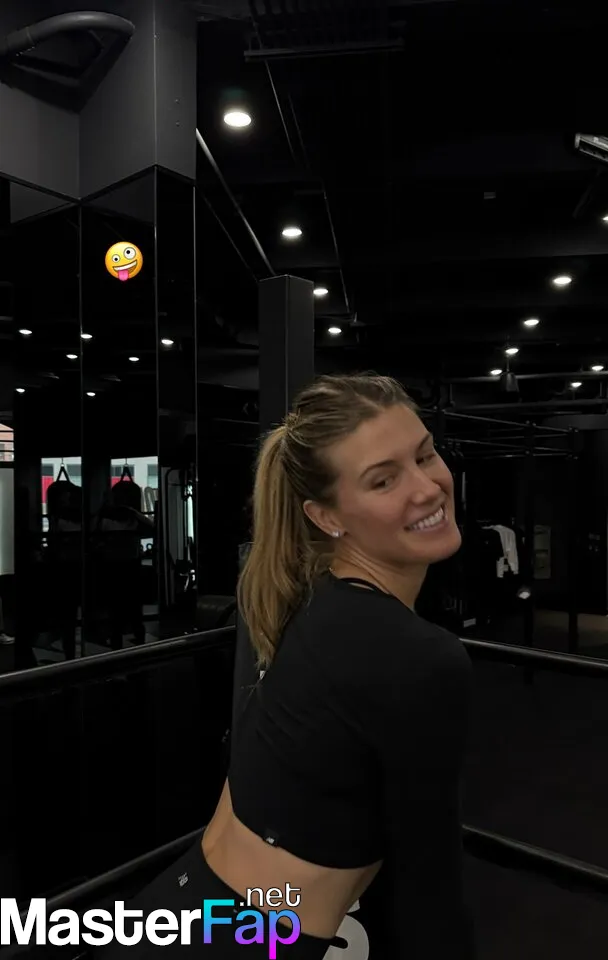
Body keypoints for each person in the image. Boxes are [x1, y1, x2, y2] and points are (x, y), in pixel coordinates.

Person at [102, 373, 474, 958]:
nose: (428, 488)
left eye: (425, 455)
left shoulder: (306, 597)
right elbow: (429, 882)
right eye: (384, 479)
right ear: (326, 517)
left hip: (181, 909)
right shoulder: (416, 655)